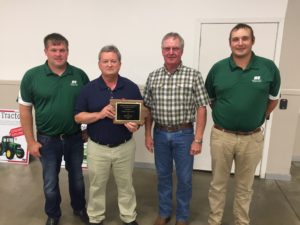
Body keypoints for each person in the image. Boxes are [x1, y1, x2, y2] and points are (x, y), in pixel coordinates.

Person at [205, 23, 281, 225]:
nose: (240, 43)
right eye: (235, 39)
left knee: (245, 187)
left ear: (252, 41)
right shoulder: (218, 69)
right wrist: (228, 116)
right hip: (222, 137)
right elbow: (211, 100)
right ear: (230, 43)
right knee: (217, 184)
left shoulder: (268, 68)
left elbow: (273, 99)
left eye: (244, 38)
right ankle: (214, 221)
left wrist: (258, 116)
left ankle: (241, 221)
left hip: (252, 138)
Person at [18, 33, 90, 225]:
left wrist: (87, 129)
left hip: (74, 138)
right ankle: (53, 214)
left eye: (62, 50)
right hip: (46, 140)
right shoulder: (32, 76)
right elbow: (25, 110)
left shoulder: (79, 75)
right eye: (54, 50)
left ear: (68, 51)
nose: (58, 54)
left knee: (77, 179)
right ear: (46, 51)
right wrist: (31, 141)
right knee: (50, 182)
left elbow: (91, 104)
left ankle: (79, 208)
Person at [143, 32, 210, 225]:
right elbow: (147, 109)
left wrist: (198, 139)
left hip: (185, 135)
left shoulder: (194, 75)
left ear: (182, 50)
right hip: (160, 133)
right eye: (167, 48)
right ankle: (164, 213)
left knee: (185, 178)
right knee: (163, 176)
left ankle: (182, 216)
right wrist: (148, 135)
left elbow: (202, 108)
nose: (171, 52)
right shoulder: (153, 76)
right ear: (162, 50)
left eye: (175, 48)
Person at [74, 45, 141, 225]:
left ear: (120, 63)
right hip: (98, 148)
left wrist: (136, 125)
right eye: (106, 61)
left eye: (113, 61)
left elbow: (141, 117)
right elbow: (78, 116)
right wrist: (100, 114)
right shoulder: (88, 89)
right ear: (99, 64)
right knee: (96, 186)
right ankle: (95, 218)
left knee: (126, 184)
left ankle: (128, 217)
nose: (110, 64)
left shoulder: (131, 87)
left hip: (124, 147)